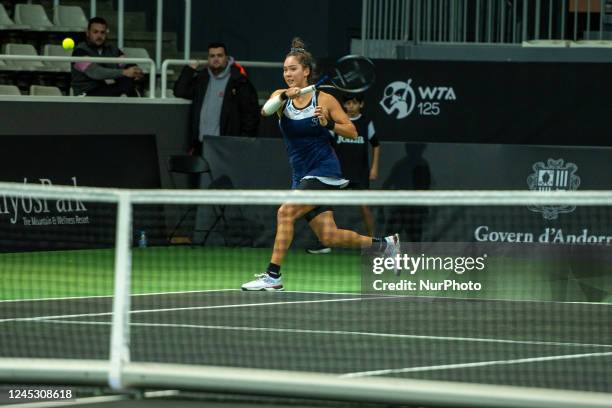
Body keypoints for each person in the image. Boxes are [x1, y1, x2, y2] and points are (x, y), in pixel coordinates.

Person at [241, 38, 399, 291]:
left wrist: (328, 124)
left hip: (324, 172)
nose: (288, 74)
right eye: (285, 70)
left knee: (285, 212)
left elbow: (350, 130)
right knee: (329, 235)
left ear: (306, 71)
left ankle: (273, 275)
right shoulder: (280, 98)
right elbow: (266, 111)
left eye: (293, 69)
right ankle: (385, 245)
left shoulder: (325, 100)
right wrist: (284, 95)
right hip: (301, 174)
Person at [308, 93, 381, 254]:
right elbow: (328, 144)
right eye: (347, 103)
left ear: (360, 105)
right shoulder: (338, 123)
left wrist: (374, 167)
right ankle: (323, 242)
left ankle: (374, 243)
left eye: (354, 103)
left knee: (364, 207)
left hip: (360, 172)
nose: (351, 106)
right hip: (338, 172)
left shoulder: (366, 122)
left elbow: (376, 144)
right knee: (325, 206)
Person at [173, 42, 259, 154]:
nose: (216, 59)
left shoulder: (239, 82)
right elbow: (180, 91)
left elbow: (251, 115)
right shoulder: (202, 79)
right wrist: (189, 70)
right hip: (201, 144)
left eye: (220, 55)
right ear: (208, 59)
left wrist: (241, 142)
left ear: (227, 58)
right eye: (212, 56)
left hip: (227, 145)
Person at [71, 17, 143, 97]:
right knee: (124, 83)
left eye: (102, 32)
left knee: (127, 81)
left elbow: (125, 64)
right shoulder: (79, 51)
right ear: (88, 33)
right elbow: (95, 72)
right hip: (86, 93)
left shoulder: (112, 49)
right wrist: (125, 72)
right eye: (95, 32)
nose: (99, 35)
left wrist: (135, 70)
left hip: (105, 89)